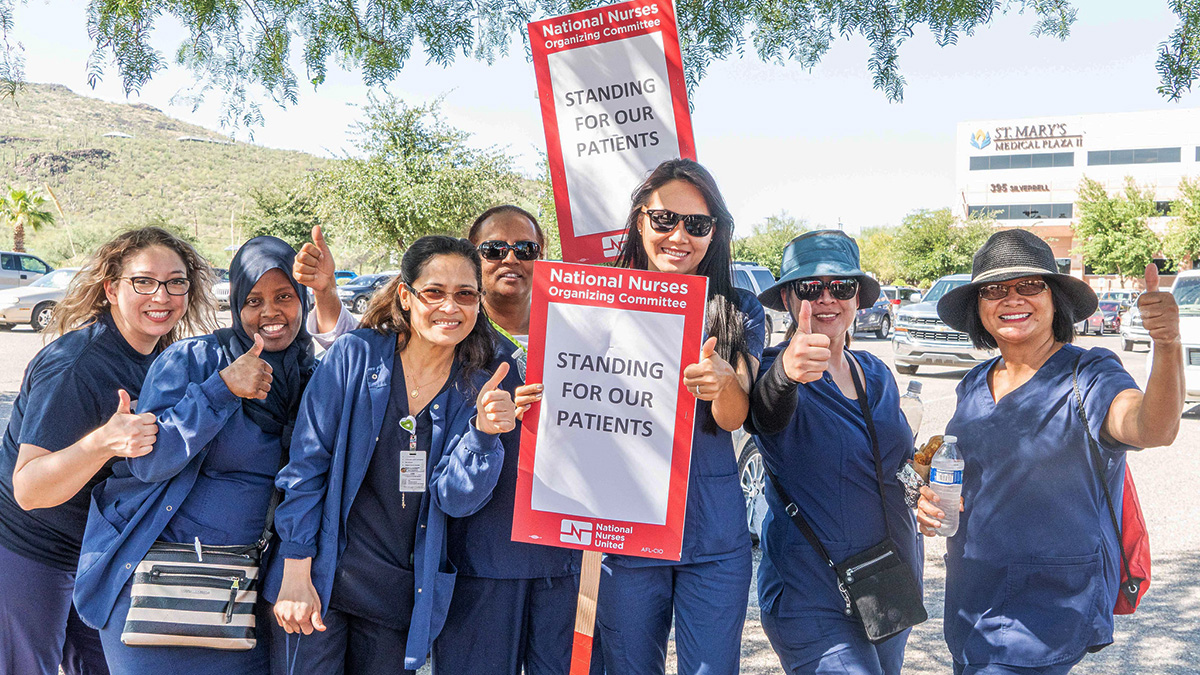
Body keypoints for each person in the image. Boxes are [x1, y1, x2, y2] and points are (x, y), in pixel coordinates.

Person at [918, 229, 1184, 675]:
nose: (1011, 298)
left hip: (1045, 614)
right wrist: (927, 500)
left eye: (1029, 285)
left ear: (1056, 299)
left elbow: (1152, 427)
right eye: (994, 289)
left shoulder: (1091, 374)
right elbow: (971, 474)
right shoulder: (971, 385)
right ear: (978, 308)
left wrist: (1168, 345)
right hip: (971, 604)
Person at [267, 235, 518, 674]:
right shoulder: (355, 357)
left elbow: (455, 500)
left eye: (465, 294)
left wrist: (482, 435)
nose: (449, 307)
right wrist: (294, 569)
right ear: (406, 295)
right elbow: (307, 468)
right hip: (319, 584)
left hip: (397, 600)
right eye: (434, 292)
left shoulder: (475, 388)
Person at [72, 235, 318, 674]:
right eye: (254, 300)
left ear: (302, 299)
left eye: (284, 297)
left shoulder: (312, 376)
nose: (270, 312)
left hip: (241, 598)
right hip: (159, 587)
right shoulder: (194, 360)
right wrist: (221, 389)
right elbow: (148, 462)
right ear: (237, 305)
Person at [0, 226, 216, 675]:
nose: (161, 295)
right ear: (111, 289)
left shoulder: (164, 358)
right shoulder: (76, 367)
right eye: (143, 282)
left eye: (176, 282)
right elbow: (29, 488)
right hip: (28, 549)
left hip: (98, 557)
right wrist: (103, 442)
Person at [590, 158, 764, 675]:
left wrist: (725, 383)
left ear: (715, 234)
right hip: (625, 529)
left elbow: (735, 418)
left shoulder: (739, 309)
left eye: (698, 224)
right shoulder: (598, 300)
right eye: (665, 219)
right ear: (639, 220)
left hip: (712, 534)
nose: (679, 236)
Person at [746, 230, 921, 675]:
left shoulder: (877, 374)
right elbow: (764, 413)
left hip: (886, 589)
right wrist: (786, 373)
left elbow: (898, 462)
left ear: (858, 298)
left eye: (841, 287)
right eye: (809, 287)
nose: (826, 298)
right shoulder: (773, 369)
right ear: (788, 298)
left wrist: (928, 486)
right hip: (812, 599)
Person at [432, 206, 586, 675]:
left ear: (544, 257)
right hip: (483, 560)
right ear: (472, 257)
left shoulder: (579, 335)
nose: (510, 259)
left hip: (564, 559)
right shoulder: (448, 339)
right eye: (494, 249)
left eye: (526, 249)